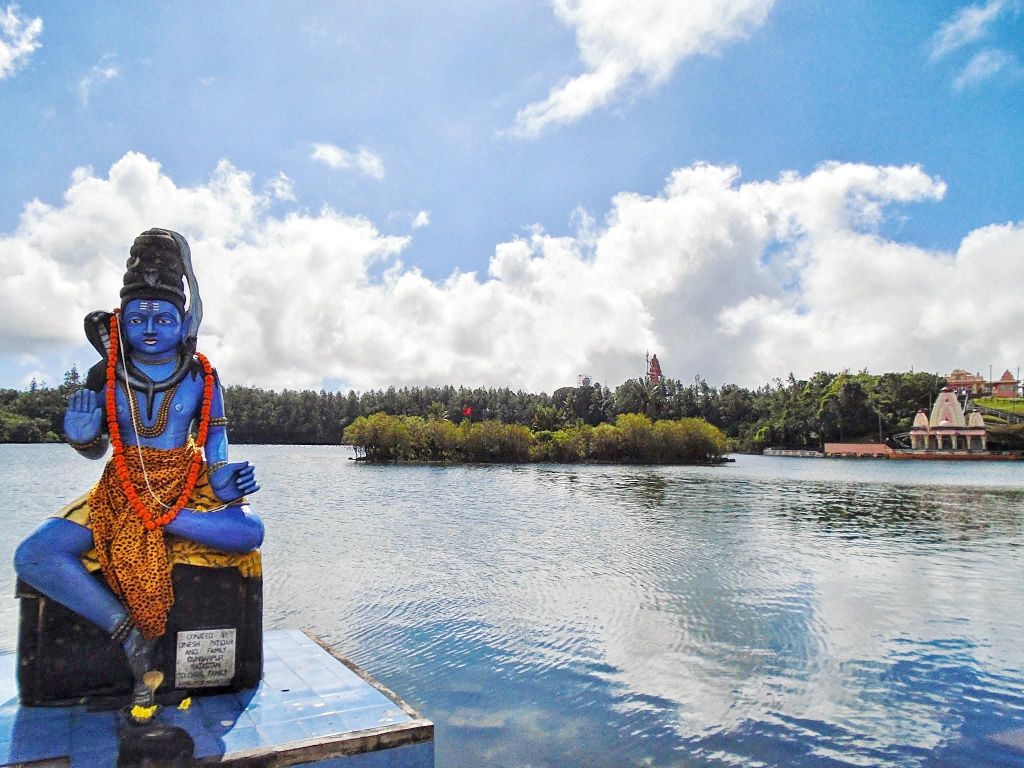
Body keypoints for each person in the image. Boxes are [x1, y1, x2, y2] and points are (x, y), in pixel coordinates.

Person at [14, 229, 264, 711]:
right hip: (123, 486)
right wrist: (82, 435)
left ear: (183, 323)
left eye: (163, 319)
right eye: (137, 319)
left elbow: (215, 442)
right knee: (34, 555)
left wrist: (223, 477)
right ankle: (126, 631)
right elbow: (96, 450)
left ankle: (166, 521)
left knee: (249, 531)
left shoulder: (201, 374)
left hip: (184, 480)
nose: (150, 329)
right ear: (120, 322)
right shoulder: (106, 374)